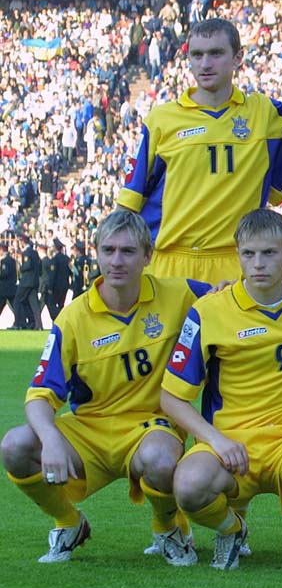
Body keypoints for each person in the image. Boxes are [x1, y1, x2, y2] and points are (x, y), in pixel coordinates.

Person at [0, 210, 206, 566]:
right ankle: (69, 523)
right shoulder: (74, 317)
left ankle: (167, 529)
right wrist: (50, 439)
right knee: (15, 446)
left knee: (160, 459)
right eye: (108, 250)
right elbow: (39, 395)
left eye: (128, 251)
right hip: (89, 430)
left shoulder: (180, 294)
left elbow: (234, 297)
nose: (116, 261)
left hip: (150, 427)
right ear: (96, 253)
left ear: (148, 256)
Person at [160, 209, 282, 572]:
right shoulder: (209, 310)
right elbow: (171, 397)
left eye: (269, 253)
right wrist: (215, 440)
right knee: (187, 485)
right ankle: (232, 530)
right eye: (249, 254)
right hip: (229, 443)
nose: (258, 263)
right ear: (237, 254)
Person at [116, 17, 282, 284]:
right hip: (170, 264)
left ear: (238, 58)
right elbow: (129, 203)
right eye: (197, 55)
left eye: (216, 53)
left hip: (237, 265)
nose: (205, 64)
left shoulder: (265, 113)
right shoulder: (161, 120)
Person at [14, 237, 43, 330]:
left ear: (23, 242)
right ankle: (37, 324)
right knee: (34, 304)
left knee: (17, 301)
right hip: (34, 281)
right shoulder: (35, 252)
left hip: (26, 281)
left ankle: (19, 323)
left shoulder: (27, 252)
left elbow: (27, 265)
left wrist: (20, 267)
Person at [46, 240, 72, 322]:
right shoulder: (67, 259)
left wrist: (50, 287)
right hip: (65, 285)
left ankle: (58, 319)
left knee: (52, 304)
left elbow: (52, 274)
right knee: (61, 304)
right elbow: (71, 271)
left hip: (56, 286)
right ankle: (61, 321)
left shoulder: (54, 259)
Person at [0, 242, 17, 325]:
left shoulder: (4, 261)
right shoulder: (13, 260)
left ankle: (19, 321)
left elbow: (4, 273)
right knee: (15, 306)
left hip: (4, 288)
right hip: (11, 287)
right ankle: (19, 321)